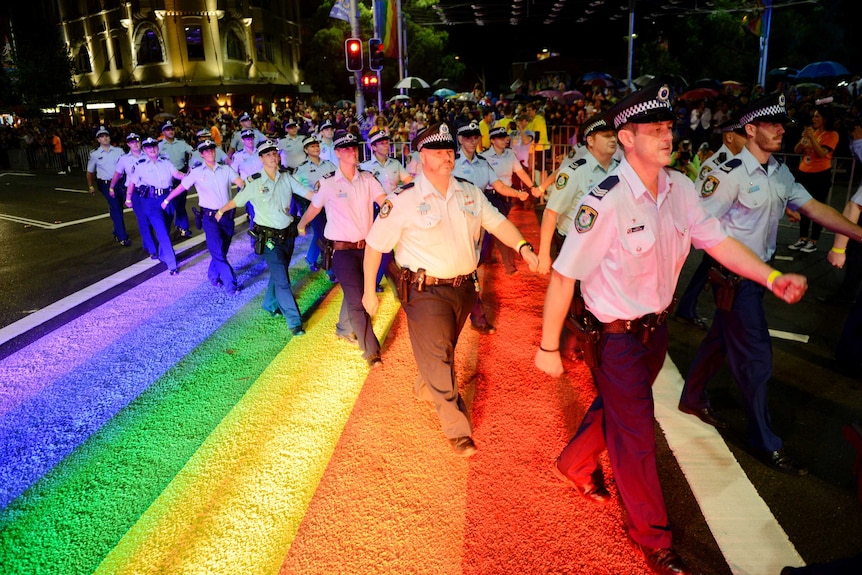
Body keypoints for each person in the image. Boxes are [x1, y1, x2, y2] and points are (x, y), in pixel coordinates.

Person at [535, 85, 808, 575]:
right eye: (655, 130)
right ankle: (654, 538)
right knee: (636, 435)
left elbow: (719, 243)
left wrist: (770, 276)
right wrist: (548, 345)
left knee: (619, 411)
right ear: (626, 138)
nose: (668, 136)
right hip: (614, 336)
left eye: (668, 128)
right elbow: (563, 274)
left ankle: (574, 462)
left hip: (654, 332)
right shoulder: (608, 200)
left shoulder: (680, 188)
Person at [680, 93, 862, 475]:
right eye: (772, 124)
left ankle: (693, 396)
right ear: (750, 129)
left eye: (781, 124)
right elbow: (694, 229)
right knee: (757, 358)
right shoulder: (726, 175)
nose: (782, 129)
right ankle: (765, 441)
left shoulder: (778, 171)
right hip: (734, 279)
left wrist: (858, 234)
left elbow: (814, 208)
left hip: (761, 277)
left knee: (719, 340)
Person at [361, 122, 539, 457]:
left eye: (449, 151)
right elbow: (374, 246)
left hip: (464, 289)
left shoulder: (469, 192)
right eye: (439, 151)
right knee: (440, 351)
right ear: (422, 155)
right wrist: (369, 290)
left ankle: (427, 382)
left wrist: (524, 246)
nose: (448, 157)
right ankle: (457, 428)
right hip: (424, 291)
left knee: (443, 349)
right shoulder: (404, 200)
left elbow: (497, 223)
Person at [297, 131, 386, 366]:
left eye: (354, 148)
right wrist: (302, 223)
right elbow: (315, 208)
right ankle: (371, 351)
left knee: (355, 292)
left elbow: (384, 202)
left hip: (368, 248)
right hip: (342, 252)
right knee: (358, 300)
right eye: (346, 149)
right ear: (336, 152)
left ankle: (343, 328)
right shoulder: (327, 183)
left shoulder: (368, 179)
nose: (352, 152)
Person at [215, 139, 313, 336]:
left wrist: (327, 197)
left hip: (288, 235)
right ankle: (295, 322)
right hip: (268, 239)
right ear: (260, 158)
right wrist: (221, 210)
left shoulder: (286, 177)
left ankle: (269, 303)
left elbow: (307, 193)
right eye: (268, 154)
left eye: (274, 153)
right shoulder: (254, 181)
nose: (273, 157)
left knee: (280, 272)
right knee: (283, 280)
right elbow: (238, 200)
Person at [453, 120, 531, 334]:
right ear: (460, 139)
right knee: (464, 272)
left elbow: (498, 186)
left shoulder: (483, 164)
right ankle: (475, 316)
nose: (472, 140)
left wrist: (517, 193)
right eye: (467, 137)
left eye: (475, 136)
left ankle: (473, 314)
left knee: (469, 271)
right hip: (454, 228)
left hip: (476, 227)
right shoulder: (451, 163)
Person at [675, 116, 749, 327]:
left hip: (725, 231)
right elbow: (703, 199)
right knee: (712, 274)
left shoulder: (738, 162)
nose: (748, 139)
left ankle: (687, 308)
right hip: (717, 231)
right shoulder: (716, 164)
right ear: (729, 137)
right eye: (743, 135)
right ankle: (689, 309)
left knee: (709, 273)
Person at [537, 111, 618, 275]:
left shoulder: (620, 170)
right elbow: (551, 213)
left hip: (608, 245)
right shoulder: (573, 173)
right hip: (575, 245)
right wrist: (544, 254)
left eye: (614, 135)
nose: (613, 140)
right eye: (606, 136)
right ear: (590, 141)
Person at [161, 139, 245, 294]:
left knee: (223, 250)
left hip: (226, 215)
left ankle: (213, 275)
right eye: (206, 151)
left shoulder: (226, 169)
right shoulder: (197, 173)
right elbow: (181, 187)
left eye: (212, 149)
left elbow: (241, 184)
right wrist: (167, 199)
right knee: (217, 251)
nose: (210, 153)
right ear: (201, 154)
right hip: (209, 217)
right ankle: (231, 285)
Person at [482, 126, 543, 273]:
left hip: (508, 197)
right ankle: (510, 266)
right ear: (492, 140)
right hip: (491, 196)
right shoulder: (484, 156)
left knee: (492, 229)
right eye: (501, 138)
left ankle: (485, 256)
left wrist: (532, 186)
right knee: (500, 226)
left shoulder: (510, 154)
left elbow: (520, 172)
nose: (505, 140)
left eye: (505, 137)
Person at [124, 137, 186, 275]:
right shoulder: (140, 165)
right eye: (148, 147)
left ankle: (162, 254)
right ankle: (172, 264)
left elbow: (176, 174)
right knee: (162, 230)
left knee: (166, 228)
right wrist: (128, 198)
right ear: (144, 150)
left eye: (154, 147)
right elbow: (132, 183)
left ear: (158, 148)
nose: (152, 149)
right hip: (150, 202)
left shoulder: (166, 162)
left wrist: (188, 176)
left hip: (167, 198)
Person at [789, 104, 839, 253]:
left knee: (818, 208)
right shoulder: (812, 132)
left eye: (817, 116)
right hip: (804, 172)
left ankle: (813, 241)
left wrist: (812, 138)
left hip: (820, 175)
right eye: (813, 116)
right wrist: (804, 139)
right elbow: (797, 150)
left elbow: (822, 153)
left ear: (825, 119)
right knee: (804, 207)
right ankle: (802, 238)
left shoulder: (832, 134)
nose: (814, 119)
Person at [293, 135, 337, 272]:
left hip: (330, 205)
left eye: (317, 145)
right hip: (313, 206)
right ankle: (330, 268)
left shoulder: (329, 164)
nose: (316, 148)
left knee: (322, 233)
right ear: (306, 150)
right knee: (322, 234)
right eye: (312, 146)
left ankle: (311, 259)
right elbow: (294, 187)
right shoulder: (301, 169)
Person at [110, 133, 157, 259]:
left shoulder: (149, 153)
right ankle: (152, 248)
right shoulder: (124, 159)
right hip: (135, 191)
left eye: (136, 141)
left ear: (140, 142)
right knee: (142, 219)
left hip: (150, 190)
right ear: (128, 144)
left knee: (153, 218)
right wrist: (111, 186)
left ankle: (147, 243)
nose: (135, 144)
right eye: (131, 142)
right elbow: (117, 174)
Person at [86, 126, 129, 247]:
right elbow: (90, 171)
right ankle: (122, 236)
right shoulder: (95, 154)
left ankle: (117, 231)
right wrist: (90, 186)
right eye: (101, 137)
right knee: (116, 207)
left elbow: (126, 166)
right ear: (98, 140)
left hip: (120, 182)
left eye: (106, 136)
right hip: (106, 184)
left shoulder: (119, 151)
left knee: (119, 207)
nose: (104, 138)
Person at [157, 120, 194, 238]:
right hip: (166, 178)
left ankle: (183, 226)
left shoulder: (181, 143)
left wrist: (190, 166)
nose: (171, 131)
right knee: (170, 204)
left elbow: (193, 152)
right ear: (163, 132)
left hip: (181, 176)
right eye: (167, 129)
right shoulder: (159, 146)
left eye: (172, 129)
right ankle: (172, 226)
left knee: (181, 203)